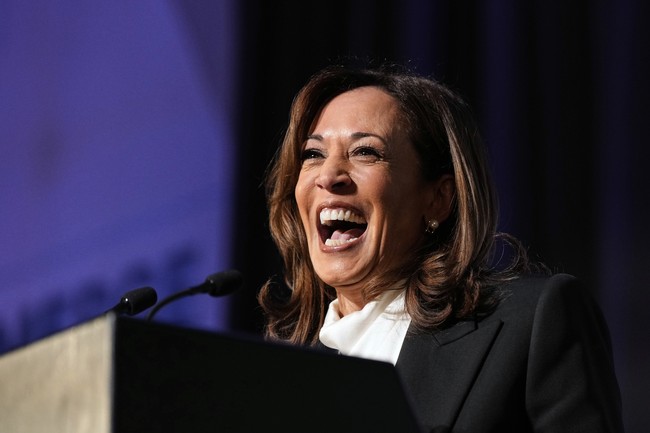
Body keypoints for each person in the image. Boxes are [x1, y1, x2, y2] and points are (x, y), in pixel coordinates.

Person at [257, 64, 624, 433]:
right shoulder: (281, 379)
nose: (328, 176)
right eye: (313, 154)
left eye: (365, 151)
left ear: (438, 198)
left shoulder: (533, 322)